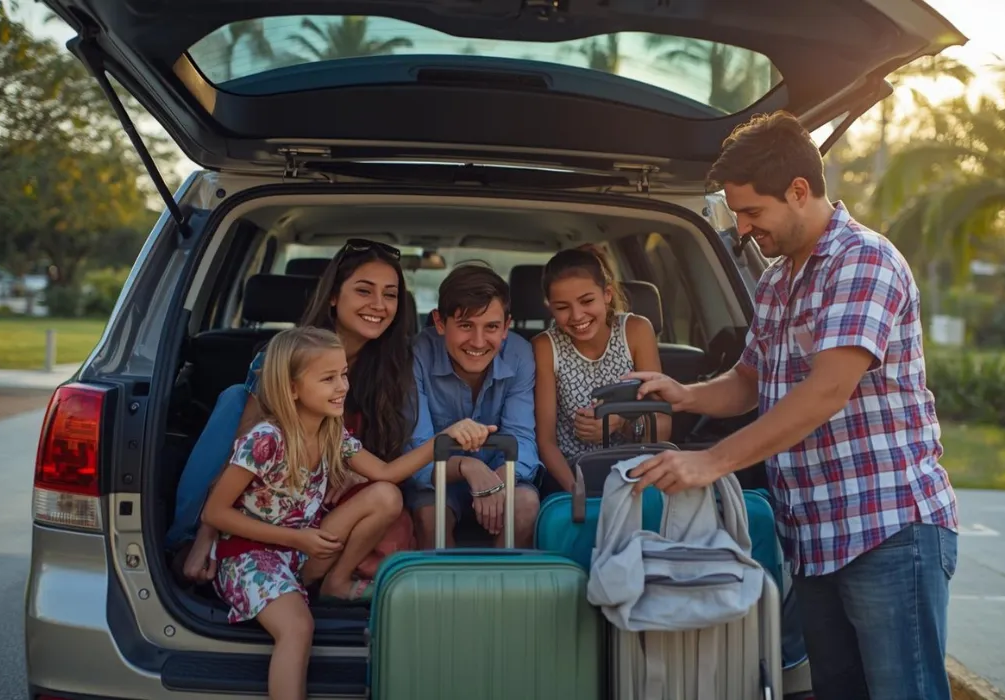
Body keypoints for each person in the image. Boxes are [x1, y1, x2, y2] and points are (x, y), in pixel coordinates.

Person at [625, 111, 959, 700]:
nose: (746, 228)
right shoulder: (780, 280)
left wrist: (713, 461)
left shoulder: (864, 262)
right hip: (813, 535)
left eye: (753, 212)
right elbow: (753, 377)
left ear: (799, 191)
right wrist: (686, 396)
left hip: (887, 528)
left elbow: (827, 389)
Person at [201, 326, 494, 700]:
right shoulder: (264, 440)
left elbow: (388, 474)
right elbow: (215, 513)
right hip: (248, 556)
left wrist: (445, 439)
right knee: (297, 628)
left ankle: (337, 583)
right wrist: (297, 538)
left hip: (303, 551)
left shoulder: (331, 434)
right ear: (292, 388)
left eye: (343, 375)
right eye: (328, 378)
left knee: (386, 495)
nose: (342, 387)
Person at [175, 238, 419, 589]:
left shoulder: (395, 365)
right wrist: (204, 536)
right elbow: (242, 449)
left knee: (392, 521)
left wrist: (356, 472)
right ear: (334, 296)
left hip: (333, 493)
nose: (379, 305)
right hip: (273, 495)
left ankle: (324, 582)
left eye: (391, 295)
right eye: (364, 291)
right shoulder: (288, 356)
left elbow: (389, 453)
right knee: (234, 398)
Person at [405, 263, 542, 548]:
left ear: (506, 327)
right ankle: (443, 592)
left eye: (491, 326)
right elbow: (415, 453)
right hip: (437, 483)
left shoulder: (520, 354)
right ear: (440, 323)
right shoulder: (417, 354)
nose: (478, 342)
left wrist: (497, 480)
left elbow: (524, 441)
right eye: (466, 325)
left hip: (502, 474)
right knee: (430, 518)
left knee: (526, 505)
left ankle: (506, 591)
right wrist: (467, 467)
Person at [532, 245, 670, 493]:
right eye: (562, 307)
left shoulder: (635, 331)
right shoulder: (545, 347)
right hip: (571, 471)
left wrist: (619, 424)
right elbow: (546, 442)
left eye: (587, 301)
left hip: (635, 468)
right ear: (549, 306)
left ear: (607, 294)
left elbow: (662, 425)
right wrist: (578, 492)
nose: (577, 315)